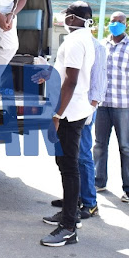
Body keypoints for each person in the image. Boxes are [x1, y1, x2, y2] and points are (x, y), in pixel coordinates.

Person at [36, 1, 96, 247]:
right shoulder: (85, 38)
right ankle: (68, 214)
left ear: (73, 18)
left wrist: (57, 114)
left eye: (66, 16)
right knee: (66, 164)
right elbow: (69, 75)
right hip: (75, 109)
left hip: (69, 113)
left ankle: (69, 227)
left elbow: (71, 81)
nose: (63, 20)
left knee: (69, 167)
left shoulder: (74, 41)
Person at [49, 33, 107, 219]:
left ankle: (89, 203)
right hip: (73, 106)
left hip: (83, 108)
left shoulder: (95, 46)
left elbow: (96, 80)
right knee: (70, 158)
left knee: (81, 156)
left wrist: (92, 107)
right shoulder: (80, 42)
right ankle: (73, 201)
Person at [93, 11, 129, 203]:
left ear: (126, 25)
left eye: (120, 22)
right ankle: (98, 181)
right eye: (113, 21)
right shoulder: (101, 45)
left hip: (123, 105)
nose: (116, 24)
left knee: (125, 146)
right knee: (99, 145)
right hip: (102, 104)